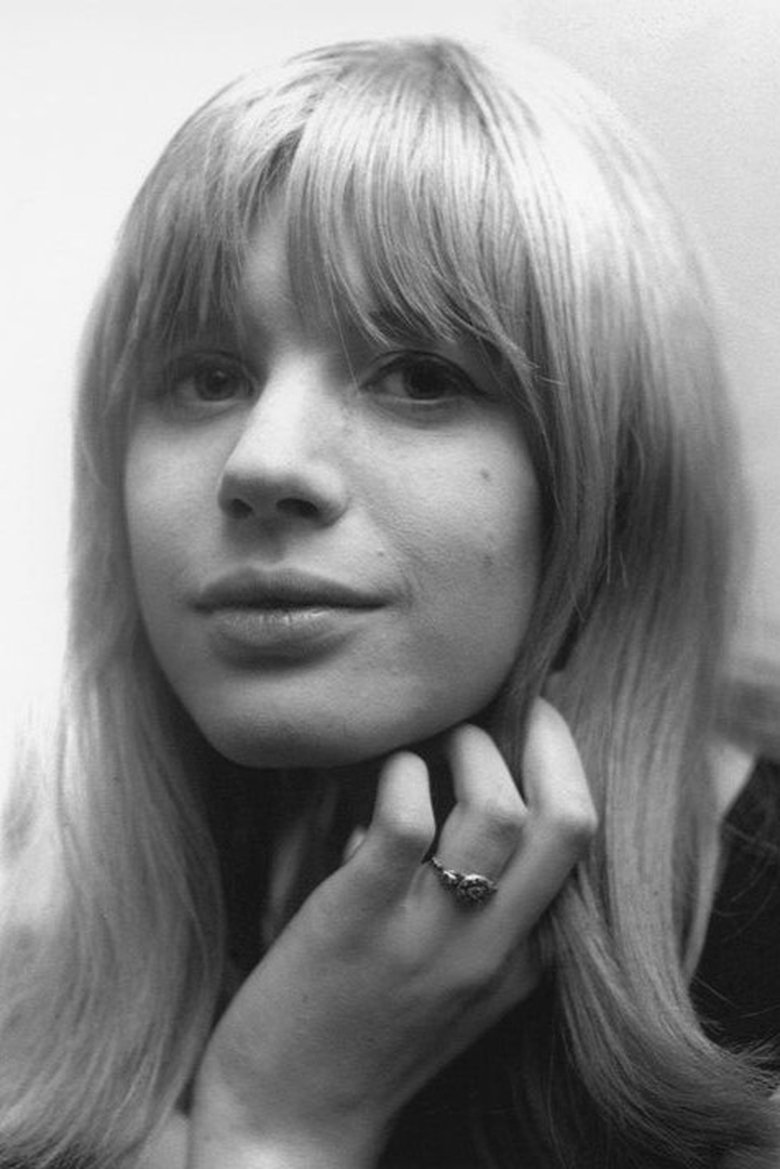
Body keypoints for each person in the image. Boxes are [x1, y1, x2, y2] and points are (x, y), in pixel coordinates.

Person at [1, 34, 779, 1169]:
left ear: (612, 484)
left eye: (419, 376)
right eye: (207, 377)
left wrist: (274, 1126)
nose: (262, 462)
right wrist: (280, 1122)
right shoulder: (30, 924)